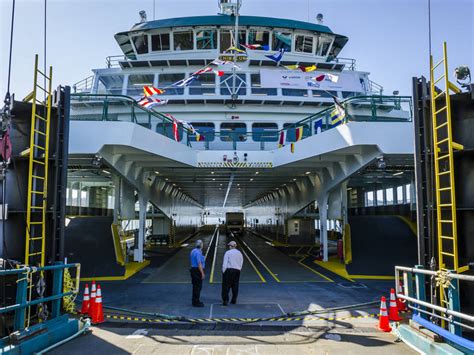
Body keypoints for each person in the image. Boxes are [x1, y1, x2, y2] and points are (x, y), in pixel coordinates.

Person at [221, 241, 243, 305]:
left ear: (230, 246)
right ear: (235, 246)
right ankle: (234, 300)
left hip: (229, 270)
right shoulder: (239, 253)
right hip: (237, 271)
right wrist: (239, 269)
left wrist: (223, 271)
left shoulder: (227, 252)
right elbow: (241, 262)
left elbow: (225, 263)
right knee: (235, 286)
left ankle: (225, 300)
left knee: (226, 286)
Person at [189, 239, 205, 307]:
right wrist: (202, 273)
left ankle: (195, 300)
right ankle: (196, 302)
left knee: (195, 286)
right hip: (197, 270)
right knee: (198, 287)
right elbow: (199, 263)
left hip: (193, 270)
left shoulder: (193, 251)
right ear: (201, 245)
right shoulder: (198, 253)